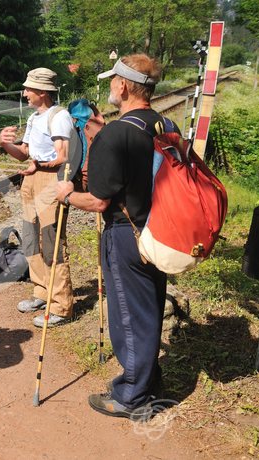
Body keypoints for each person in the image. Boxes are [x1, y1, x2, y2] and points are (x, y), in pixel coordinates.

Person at [55, 54, 172, 417]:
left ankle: (131, 397)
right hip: (160, 232)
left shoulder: (116, 133)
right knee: (148, 308)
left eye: (112, 81)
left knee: (128, 315)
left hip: (127, 235)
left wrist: (67, 195)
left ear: (123, 85)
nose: (109, 87)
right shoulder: (166, 124)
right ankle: (148, 380)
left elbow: (98, 201)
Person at [0, 68, 75, 327]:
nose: (25, 93)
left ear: (43, 92)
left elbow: (62, 157)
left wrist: (38, 165)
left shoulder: (59, 116)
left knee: (52, 241)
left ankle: (62, 306)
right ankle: (42, 291)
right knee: (30, 239)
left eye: (29, 89)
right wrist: (4, 144)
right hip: (31, 179)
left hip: (50, 181)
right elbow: (24, 154)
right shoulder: (34, 118)